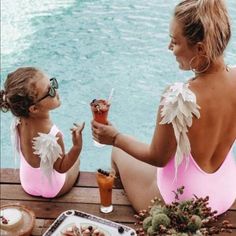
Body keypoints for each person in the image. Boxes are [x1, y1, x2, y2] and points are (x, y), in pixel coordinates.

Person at [91, 0, 236, 215]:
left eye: (174, 41)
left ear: (200, 48)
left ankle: (114, 212)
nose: (170, 48)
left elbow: (157, 157)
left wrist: (114, 138)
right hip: (224, 193)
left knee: (117, 153)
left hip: (182, 205)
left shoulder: (178, 97)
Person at [0, 67, 85, 198]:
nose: (55, 90)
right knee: (77, 160)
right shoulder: (52, 134)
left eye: (52, 83)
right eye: (49, 91)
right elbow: (61, 167)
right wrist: (77, 146)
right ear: (34, 108)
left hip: (27, 184)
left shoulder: (18, 122)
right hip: (53, 189)